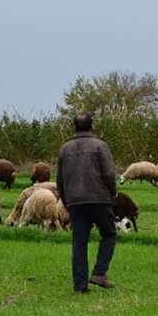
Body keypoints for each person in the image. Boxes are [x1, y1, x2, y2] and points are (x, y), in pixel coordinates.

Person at [57, 113, 118, 293]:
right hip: (98, 198)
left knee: (79, 242)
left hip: (75, 201)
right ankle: (99, 273)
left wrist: (66, 201)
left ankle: (80, 286)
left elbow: (59, 179)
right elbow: (108, 173)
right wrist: (112, 192)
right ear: (93, 127)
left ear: (74, 127)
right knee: (109, 233)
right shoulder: (100, 146)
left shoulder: (65, 149)